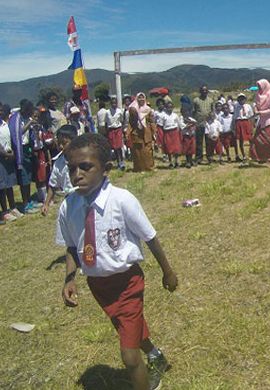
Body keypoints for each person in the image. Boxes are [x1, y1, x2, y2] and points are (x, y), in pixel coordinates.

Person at [57, 133, 178, 390]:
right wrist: (69, 279)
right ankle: (156, 356)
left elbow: (150, 237)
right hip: (99, 285)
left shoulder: (121, 200)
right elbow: (71, 247)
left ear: (106, 169)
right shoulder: (69, 206)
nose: (77, 174)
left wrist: (167, 272)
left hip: (127, 283)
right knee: (127, 329)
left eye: (85, 167)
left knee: (129, 356)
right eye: (71, 168)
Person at [8, 99, 41, 213]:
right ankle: (25, 204)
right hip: (19, 150)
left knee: (28, 177)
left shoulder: (26, 118)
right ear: (24, 109)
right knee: (23, 178)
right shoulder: (15, 119)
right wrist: (29, 124)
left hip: (27, 148)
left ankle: (29, 202)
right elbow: (16, 133)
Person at [41, 125, 77, 216]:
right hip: (69, 201)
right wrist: (46, 204)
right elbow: (53, 184)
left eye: (64, 143)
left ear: (74, 142)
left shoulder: (82, 159)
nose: (61, 146)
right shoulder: (58, 163)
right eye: (59, 143)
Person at [0, 103, 22, 222]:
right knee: (2, 186)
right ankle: (4, 211)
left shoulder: (5, 124)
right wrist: (6, 154)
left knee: (9, 184)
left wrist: (12, 152)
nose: (0, 112)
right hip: (1, 158)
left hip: (9, 156)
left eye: (1, 110)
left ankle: (13, 207)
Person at [251, 79, 270, 164]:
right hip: (261, 121)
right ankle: (260, 157)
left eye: (260, 86)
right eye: (258, 86)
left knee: (269, 141)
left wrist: (260, 112)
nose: (259, 88)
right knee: (258, 140)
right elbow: (255, 103)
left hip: (269, 121)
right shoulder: (258, 95)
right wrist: (255, 109)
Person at [126, 107, 155, 172]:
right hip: (136, 133)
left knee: (147, 151)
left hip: (147, 132)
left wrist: (154, 131)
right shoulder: (133, 109)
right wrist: (127, 133)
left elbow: (151, 121)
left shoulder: (148, 110)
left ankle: (149, 167)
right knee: (138, 152)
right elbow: (130, 123)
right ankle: (139, 168)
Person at [157, 101, 184, 168]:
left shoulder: (175, 115)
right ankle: (171, 162)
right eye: (168, 107)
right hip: (167, 132)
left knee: (176, 148)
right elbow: (160, 126)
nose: (170, 109)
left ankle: (176, 161)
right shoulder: (163, 116)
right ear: (165, 108)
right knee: (169, 148)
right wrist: (161, 136)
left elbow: (179, 124)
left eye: (171, 107)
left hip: (175, 132)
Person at [191, 85, 214, 164]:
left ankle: (209, 156)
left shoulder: (211, 100)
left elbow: (212, 111)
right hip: (199, 124)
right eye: (203, 90)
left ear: (207, 91)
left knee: (209, 141)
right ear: (200, 91)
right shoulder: (196, 100)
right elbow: (193, 112)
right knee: (199, 142)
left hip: (208, 124)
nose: (204, 92)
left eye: (206, 90)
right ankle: (198, 158)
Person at [105, 98, 127, 170]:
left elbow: (122, 120)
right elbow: (106, 122)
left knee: (119, 146)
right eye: (112, 103)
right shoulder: (107, 112)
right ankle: (118, 162)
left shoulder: (119, 111)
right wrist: (106, 132)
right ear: (110, 104)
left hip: (118, 129)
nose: (114, 104)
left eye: (115, 103)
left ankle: (121, 162)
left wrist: (122, 130)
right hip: (111, 130)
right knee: (114, 147)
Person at [231, 93, 253, 162]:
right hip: (239, 123)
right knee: (241, 141)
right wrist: (233, 127)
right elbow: (234, 117)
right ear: (238, 100)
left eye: (243, 98)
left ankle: (251, 154)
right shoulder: (237, 107)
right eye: (240, 99)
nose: (241, 100)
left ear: (245, 99)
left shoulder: (248, 106)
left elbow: (251, 115)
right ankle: (244, 156)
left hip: (246, 122)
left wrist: (252, 125)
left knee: (250, 139)